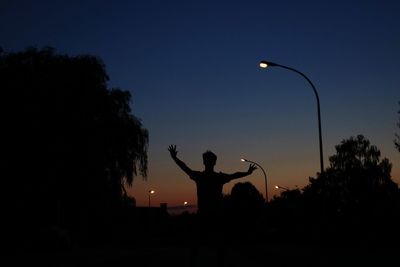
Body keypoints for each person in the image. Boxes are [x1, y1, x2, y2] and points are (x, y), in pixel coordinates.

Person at [168, 144, 257, 221]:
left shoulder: (200, 176)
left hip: (206, 215)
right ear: (215, 162)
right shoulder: (219, 177)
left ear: (204, 162)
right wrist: (247, 173)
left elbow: (185, 167)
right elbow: (234, 175)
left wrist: (175, 158)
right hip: (215, 215)